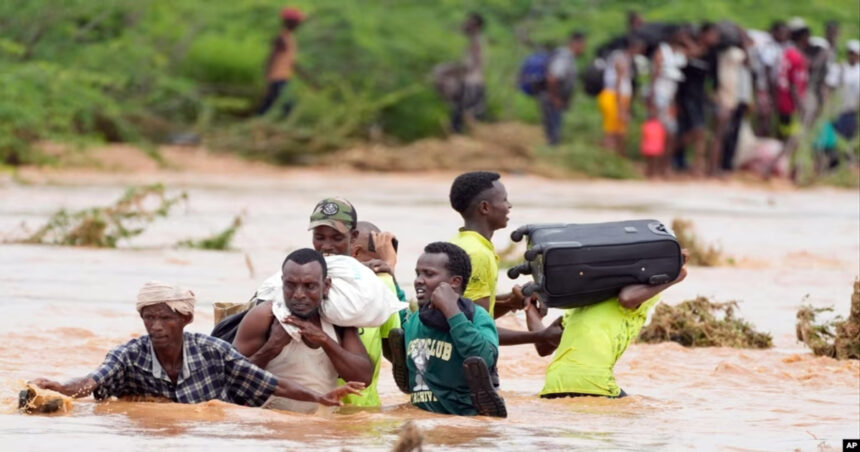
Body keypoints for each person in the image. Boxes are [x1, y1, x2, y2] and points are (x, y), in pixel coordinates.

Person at [30, 281, 364, 407]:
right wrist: (58, 387)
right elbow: (92, 381)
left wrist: (318, 396)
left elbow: (270, 383)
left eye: (166, 318)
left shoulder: (214, 352)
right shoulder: (128, 355)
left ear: (186, 319)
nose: (156, 327)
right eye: (149, 318)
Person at [526, 253, 688, 398]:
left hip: (554, 384)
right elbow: (626, 298)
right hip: (596, 382)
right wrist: (673, 276)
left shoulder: (581, 301)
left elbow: (544, 345)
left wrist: (530, 310)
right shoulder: (637, 298)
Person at [233, 249, 373, 413]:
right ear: (282, 283)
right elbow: (231, 379)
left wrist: (324, 340)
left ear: (326, 286)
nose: (299, 294)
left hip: (322, 430)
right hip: (272, 432)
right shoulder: (265, 317)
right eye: (291, 285)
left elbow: (363, 379)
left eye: (309, 286)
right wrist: (271, 348)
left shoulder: (338, 320)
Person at [390, 242, 506, 417]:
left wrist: (452, 311)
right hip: (423, 418)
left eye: (428, 274)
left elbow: (485, 357)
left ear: (454, 282)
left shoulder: (477, 316)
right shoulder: (415, 319)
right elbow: (395, 308)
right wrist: (389, 276)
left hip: (465, 422)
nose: (418, 280)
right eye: (417, 273)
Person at [448, 171, 524, 321]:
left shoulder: (459, 241)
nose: (509, 205)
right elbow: (475, 328)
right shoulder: (478, 254)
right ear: (485, 207)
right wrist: (539, 335)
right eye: (504, 200)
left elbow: (472, 310)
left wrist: (510, 302)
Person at [675, 22, 720, 175]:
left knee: (700, 131)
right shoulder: (687, 49)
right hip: (684, 96)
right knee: (688, 131)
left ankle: (697, 166)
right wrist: (690, 44)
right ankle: (672, 152)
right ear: (703, 35)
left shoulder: (712, 55)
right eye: (712, 34)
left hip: (699, 97)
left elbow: (713, 79)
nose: (715, 38)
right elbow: (684, 59)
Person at [649, 26, 688, 176]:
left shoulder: (679, 52)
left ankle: (664, 167)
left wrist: (687, 42)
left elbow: (696, 52)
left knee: (670, 134)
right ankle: (653, 170)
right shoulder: (662, 51)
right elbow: (655, 74)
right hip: (659, 96)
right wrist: (651, 97)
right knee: (657, 133)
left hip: (671, 97)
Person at [597, 36, 645, 155]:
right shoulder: (620, 58)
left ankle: (616, 159)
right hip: (614, 97)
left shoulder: (627, 59)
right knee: (611, 132)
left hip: (620, 98)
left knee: (620, 132)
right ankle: (606, 159)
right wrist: (620, 108)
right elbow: (618, 82)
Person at [539, 31, 587, 145]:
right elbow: (552, 78)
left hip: (554, 98)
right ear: (577, 44)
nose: (584, 49)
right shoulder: (564, 57)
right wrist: (555, 97)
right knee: (554, 131)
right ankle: (551, 153)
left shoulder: (568, 57)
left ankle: (551, 151)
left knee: (554, 129)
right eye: (583, 45)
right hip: (552, 98)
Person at [258, 7, 304, 116]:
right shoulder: (281, 38)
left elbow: (291, 61)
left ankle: (257, 121)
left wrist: (306, 76)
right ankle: (260, 122)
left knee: (269, 103)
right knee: (288, 104)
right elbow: (271, 56)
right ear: (289, 22)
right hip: (277, 77)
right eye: (297, 22)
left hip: (282, 76)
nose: (299, 24)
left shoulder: (290, 38)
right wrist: (268, 75)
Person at [451, 12, 486, 133]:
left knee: (466, 114)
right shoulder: (473, 41)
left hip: (471, 82)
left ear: (476, 26)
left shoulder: (476, 41)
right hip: (471, 82)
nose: (466, 24)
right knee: (461, 113)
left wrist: (453, 70)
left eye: (469, 23)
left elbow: (474, 64)